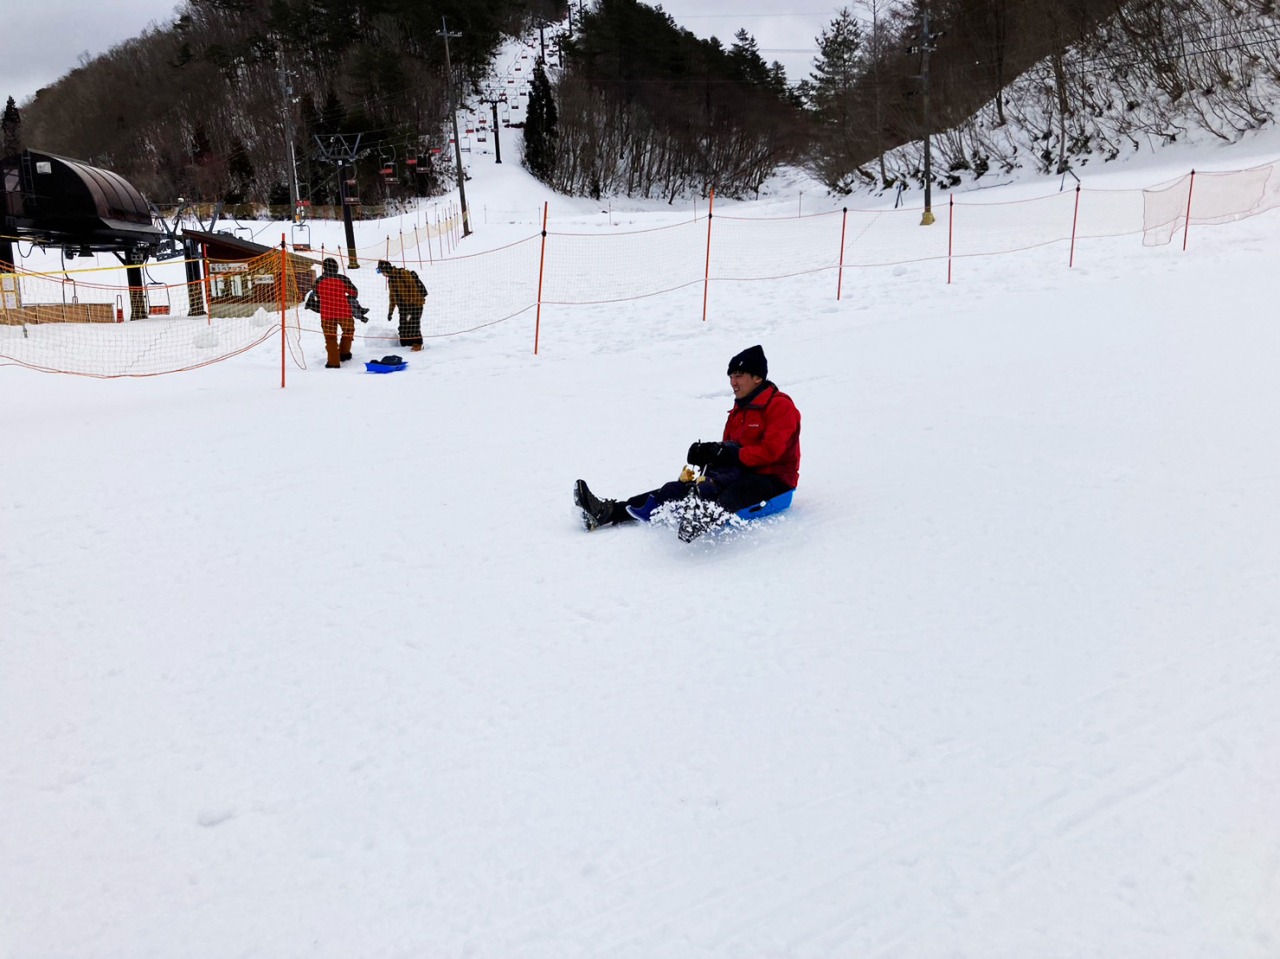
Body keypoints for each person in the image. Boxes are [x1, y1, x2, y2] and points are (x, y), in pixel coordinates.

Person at [574, 344, 801, 536]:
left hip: (774, 478)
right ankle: (609, 512)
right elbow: (732, 450)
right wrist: (710, 454)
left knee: (734, 491)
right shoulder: (739, 410)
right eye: (731, 376)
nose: (733, 382)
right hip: (743, 471)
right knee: (678, 488)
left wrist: (729, 454)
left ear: (758, 377)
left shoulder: (780, 406)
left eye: (739, 376)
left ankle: (700, 520)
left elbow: (772, 452)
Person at [313, 257, 360, 369]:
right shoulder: (343, 279)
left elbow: (316, 295)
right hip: (344, 312)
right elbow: (354, 292)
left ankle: (333, 362)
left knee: (330, 338)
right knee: (348, 332)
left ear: (324, 268)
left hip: (327, 314)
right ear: (336, 267)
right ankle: (344, 354)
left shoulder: (319, 280)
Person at [376, 259, 427, 351]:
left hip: (415, 305)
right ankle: (405, 346)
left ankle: (417, 345)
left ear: (385, 269)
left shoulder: (403, 273)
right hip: (403, 307)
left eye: (381, 271)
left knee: (413, 325)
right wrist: (390, 312)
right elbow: (392, 297)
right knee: (403, 327)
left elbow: (413, 288)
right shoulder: (391, 280)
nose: (382, 274)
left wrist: (411, 304)